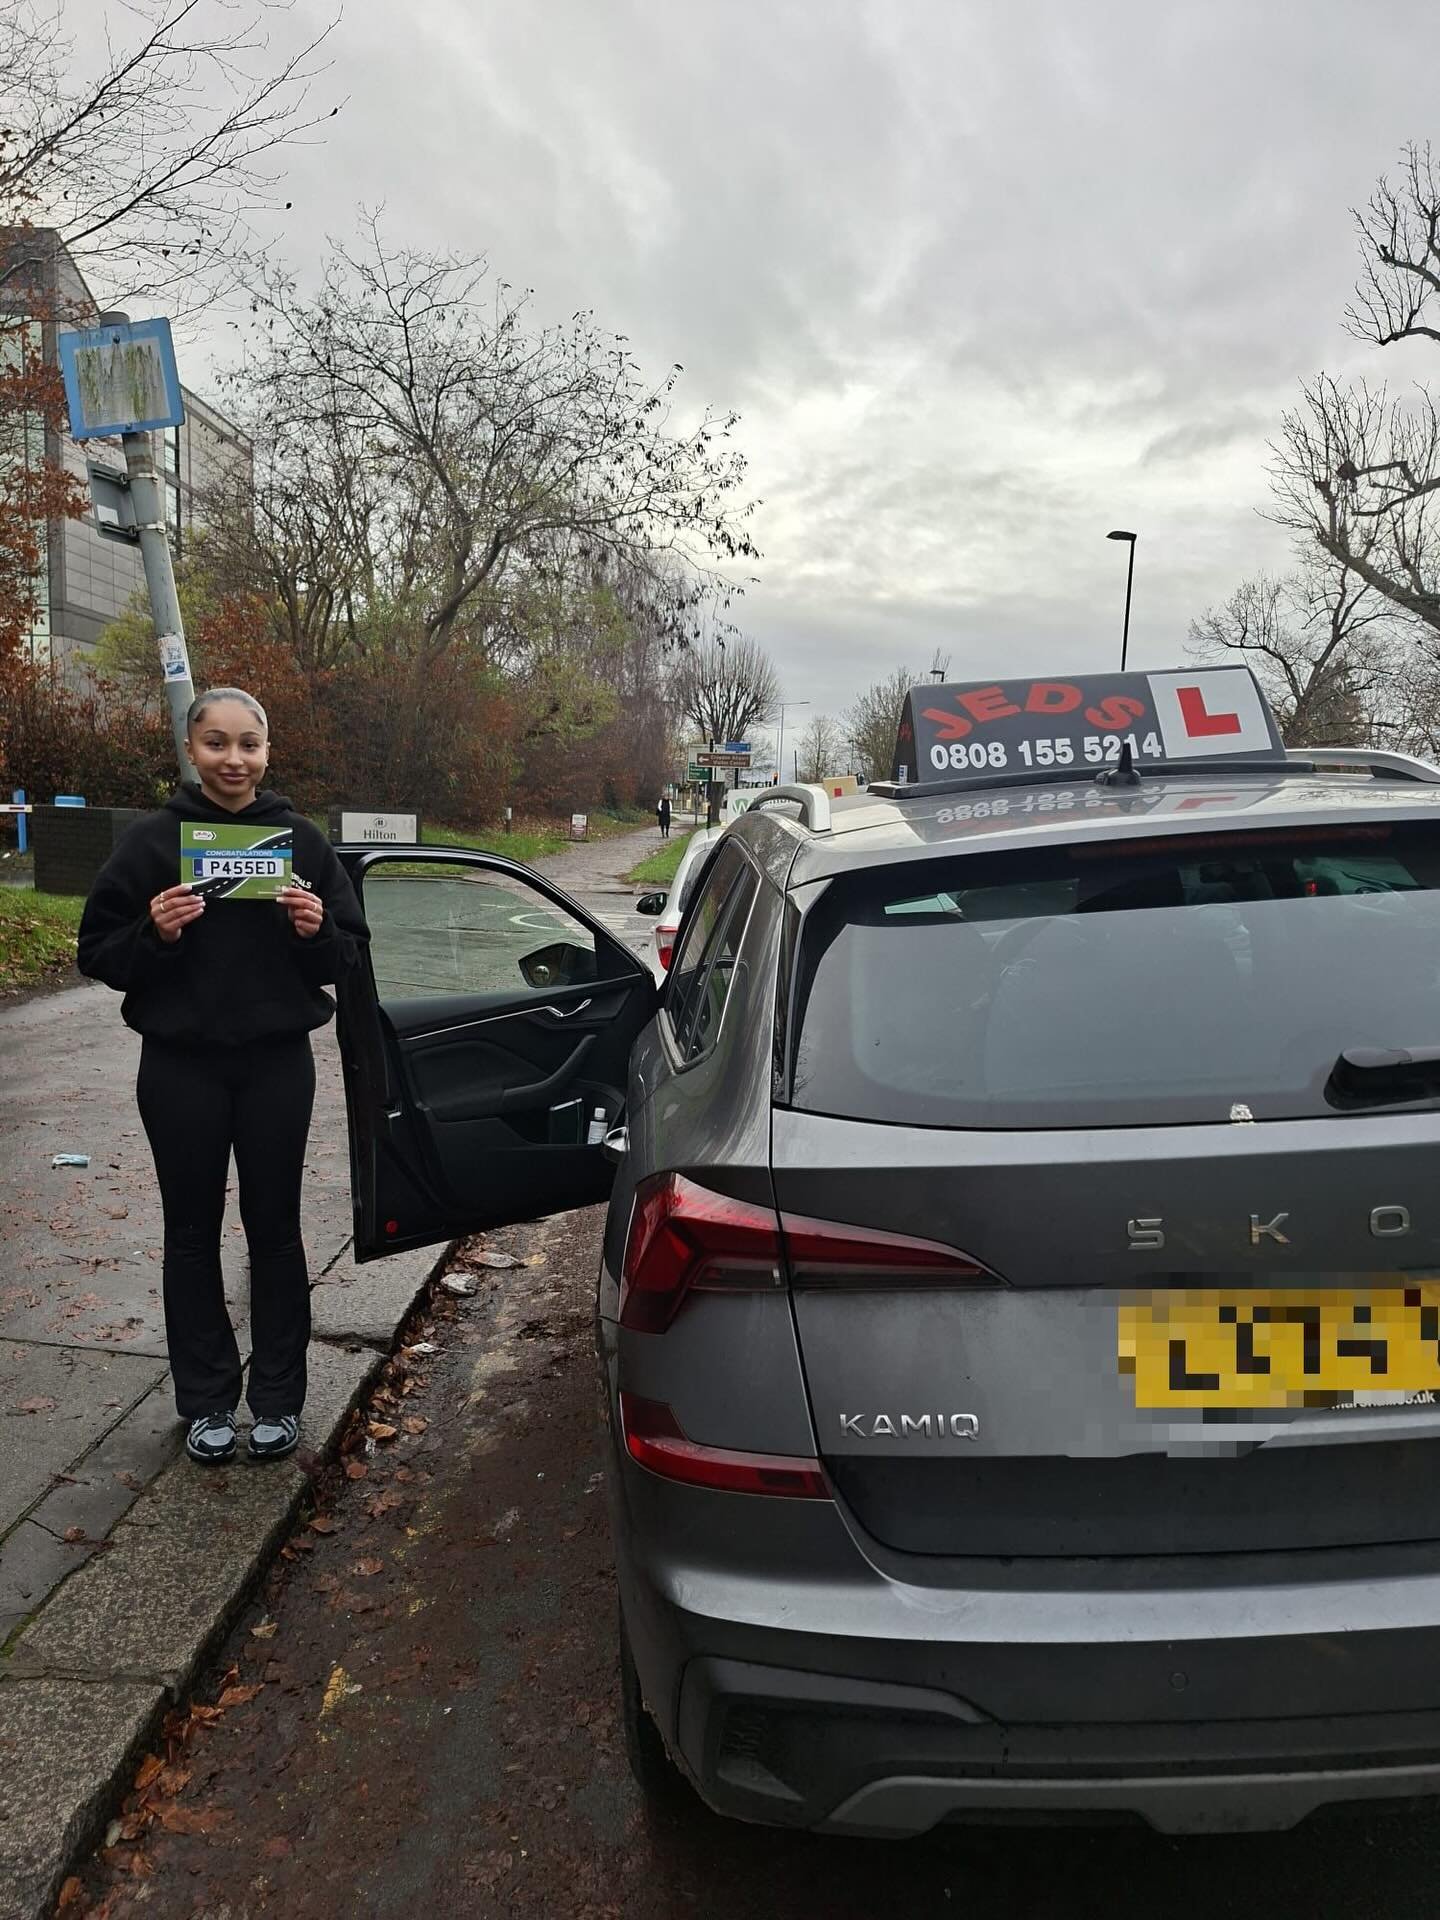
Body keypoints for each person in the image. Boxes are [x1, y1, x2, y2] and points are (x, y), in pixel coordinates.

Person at [77, 688, 369, 1466]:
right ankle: (206, 1400)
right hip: (180, 1069)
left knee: (275, 1232)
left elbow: (347, 954)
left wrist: (316, 931)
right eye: (215, 743)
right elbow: (98, 952)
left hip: (276, 1065)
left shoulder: (300, 842)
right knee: (190, 1235)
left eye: (248, 744)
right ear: (190, 749)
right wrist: (156, 933)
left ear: (268, 751)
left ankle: (277, 1400)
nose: (233, 759)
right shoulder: (151, 844)